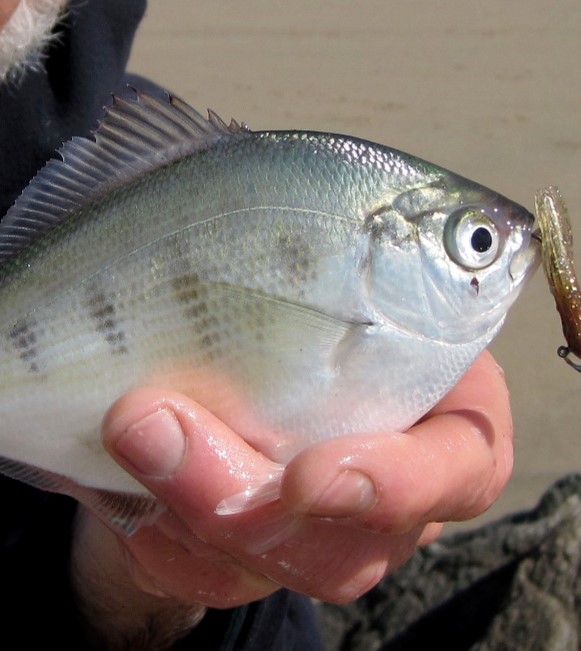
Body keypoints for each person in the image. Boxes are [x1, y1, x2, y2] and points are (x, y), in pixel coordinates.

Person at [0, 1, 515, 648]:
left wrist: (133, 586)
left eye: (475, 241)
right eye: (475, 241)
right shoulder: (148, 167)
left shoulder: (122, 154)